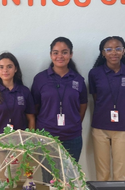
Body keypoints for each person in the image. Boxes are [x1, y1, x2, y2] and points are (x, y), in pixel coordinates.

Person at [88, 36, 125, 181]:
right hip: (100, 127)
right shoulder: (94, 74)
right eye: (109, 49)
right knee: (102, 173)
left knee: (121, 172)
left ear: (123, 51)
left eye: (118, 48)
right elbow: (96, 98)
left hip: (123, 128)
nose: (114, 52)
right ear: (103, 53)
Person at [31, 37, 87, 165]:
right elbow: (35, 107)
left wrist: (73, 123)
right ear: (51, 55)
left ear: (71, 54)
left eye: (64, 52)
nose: (60, 56)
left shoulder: (78, 79)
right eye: (56, 52)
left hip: (72, 136)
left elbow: (83, 105)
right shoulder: (40, 78)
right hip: (46, 136)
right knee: (48, 178)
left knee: (70, 177)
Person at [0, 52, 35, 140]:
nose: (5, 70)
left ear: (15, 69)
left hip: (19, 144)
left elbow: (31, 119)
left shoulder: (24, 91)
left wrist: (30, 142)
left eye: (9, 67)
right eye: (1, 67)